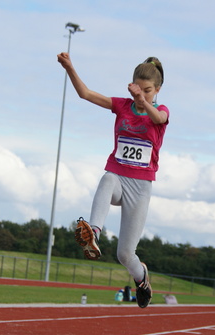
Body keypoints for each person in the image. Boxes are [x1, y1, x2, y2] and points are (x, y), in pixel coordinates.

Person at [57, 52, 170, 309]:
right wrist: (70, 67)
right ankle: (93, 233)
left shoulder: (161, 112)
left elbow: (159, 119)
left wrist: (144, 100)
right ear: (130, 85)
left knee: (124, 254)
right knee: (107, 178)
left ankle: (142, 280)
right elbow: (85, 93)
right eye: (137, 89)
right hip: (119, 177)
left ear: (158, 90)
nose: (141, 94)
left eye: (148, 90)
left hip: (140, 188)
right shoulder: (121, 105)